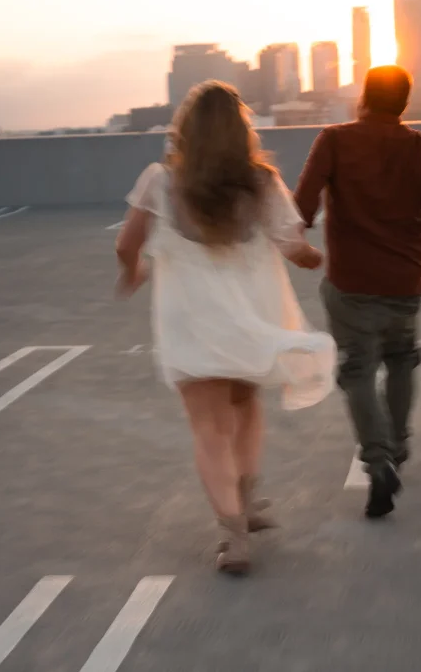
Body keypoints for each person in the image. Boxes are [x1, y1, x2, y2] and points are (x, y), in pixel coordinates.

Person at [115, 80, 336, 575]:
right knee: (246, 404)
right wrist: (313, 257)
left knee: (208, 429)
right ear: (242, 133)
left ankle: (233, 535)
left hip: (190, 321)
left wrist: (132, 273)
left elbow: (126, 245)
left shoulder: (160, 182)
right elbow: (293, 246)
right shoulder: (262, 182)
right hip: (247, 318)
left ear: (185, 130)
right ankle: (249, 499)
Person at [293, 65, 421, 520]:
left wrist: (295, 248)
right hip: (406, 285)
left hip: (350, 285)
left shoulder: (334, 139)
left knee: (357, 371)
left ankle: (378, 459)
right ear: (405, 103)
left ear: (363, 97)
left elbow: (301, 209)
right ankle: (398, 447)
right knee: (402, 361)